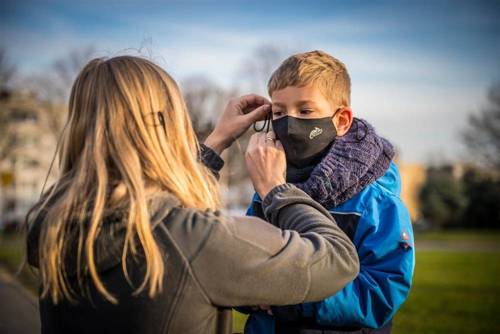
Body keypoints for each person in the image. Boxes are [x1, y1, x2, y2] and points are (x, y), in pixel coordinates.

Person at [24, 55, 360, 334]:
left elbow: (159, 203)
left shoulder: (54, 223)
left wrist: (215, 144)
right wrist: (276, 190)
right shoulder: (195, 242)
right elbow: (336, 260)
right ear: (162, 124)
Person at [242, 50, 415, 334]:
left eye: (305, 111)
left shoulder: (375, 200)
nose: (290, 122)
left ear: (342, 120)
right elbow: (242, 261)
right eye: (279, 112)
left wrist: (292, 301)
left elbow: (381, 292)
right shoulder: (268, 185)